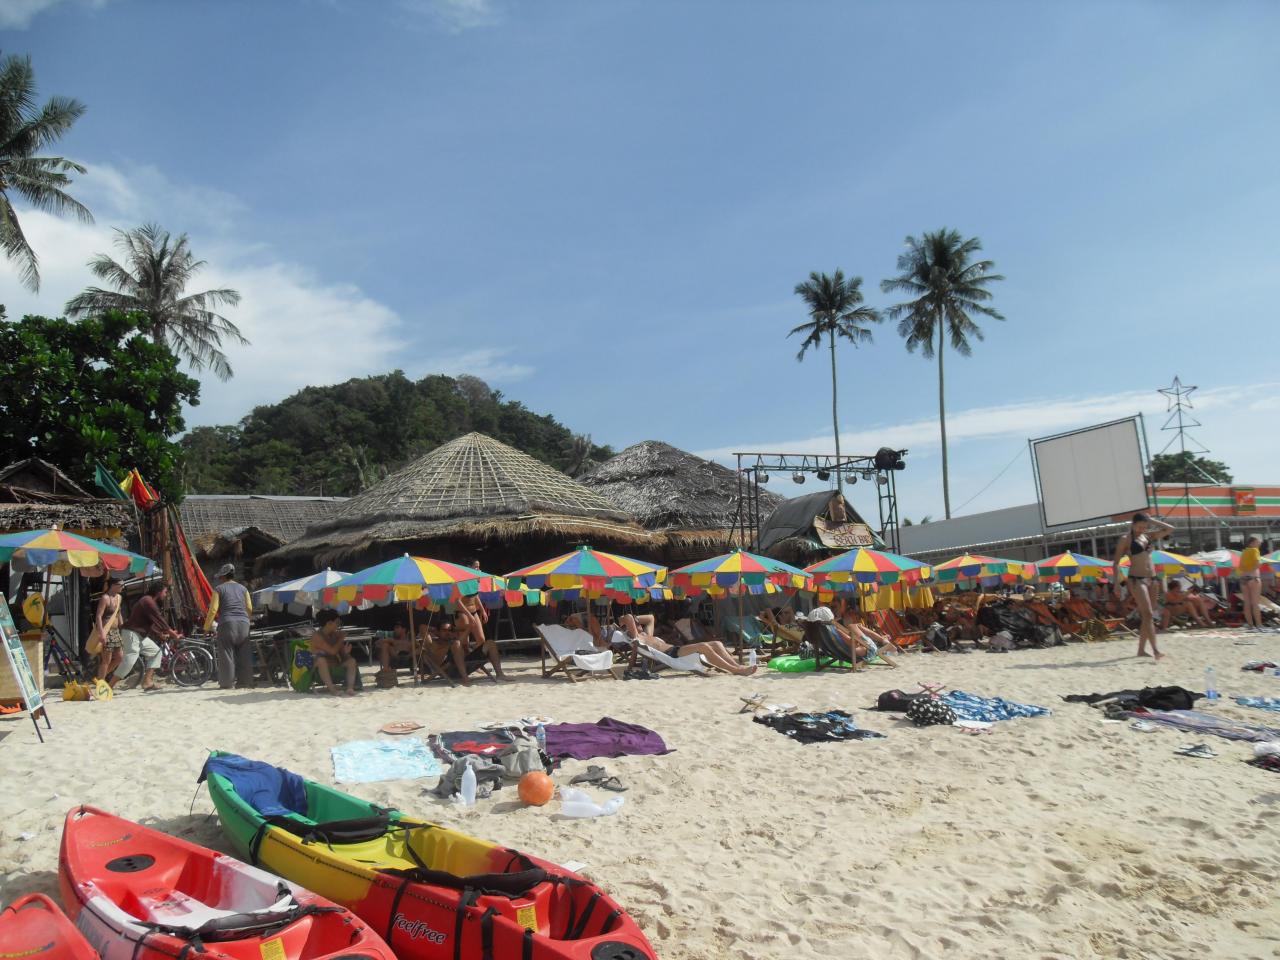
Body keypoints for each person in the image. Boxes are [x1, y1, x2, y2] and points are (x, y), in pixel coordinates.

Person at [1112, 511, 1176, 660]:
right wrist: (1116, 583)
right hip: (1136, 579)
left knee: (1148, 616)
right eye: (1139, 526)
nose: (1142, 529)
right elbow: (1115, 562)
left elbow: (1170, 529)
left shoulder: (1148, 536)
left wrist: (1152, 520)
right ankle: (1155, 650)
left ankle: (1141, 650)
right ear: (1133, 525)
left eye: (1144, 526)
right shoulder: (1125, 539)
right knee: (1147, 614)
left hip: (1152, 579)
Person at [618, 612, 757, 676]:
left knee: (717, 643)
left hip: (675, 649)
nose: (639, 625)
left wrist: (635, 618)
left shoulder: (647, 635)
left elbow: (651, 618)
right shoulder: (637, 639)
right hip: (671, 655)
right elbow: (629, 618)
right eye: (637, 624)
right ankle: (736, 670)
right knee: (703, 647)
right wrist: (624, 620)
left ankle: (737, 666)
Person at [424, 596, 507, 684]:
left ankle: (499, 674)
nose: (448, 632)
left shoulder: (454, 642)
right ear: (437, 632)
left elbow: (463, 636)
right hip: (450, 671)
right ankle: (465, 679)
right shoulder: (434, 644)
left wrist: (457, 629)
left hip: (464, 666)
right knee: (457, 644)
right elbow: (425, 630)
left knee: (490, 643)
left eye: (450, 630)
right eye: (444, 630)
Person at [119, 582, 179, 690]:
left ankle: (147, 682)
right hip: (132, 633)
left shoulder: (149, 601)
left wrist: (160, 634)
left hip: (139, 635)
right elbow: (160, 620)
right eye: (165, 592)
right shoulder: (148, 601)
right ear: (159, 592)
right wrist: (173, 634)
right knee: (130, 659)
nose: (165, 595)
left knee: (156, 652)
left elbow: (151, 623)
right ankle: (110, 685)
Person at [203, 563, 254, 689]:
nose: (219, 579)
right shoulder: (244, 589)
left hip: (227, 624)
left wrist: (206, 627)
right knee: (244, 653)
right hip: (244, 623)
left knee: (227, 654)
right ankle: (245, 682)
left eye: (220, 577)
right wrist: (246, 619)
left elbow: (213, 610)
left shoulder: (219, 589)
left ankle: (227, 683)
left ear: (223, 577)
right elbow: (249, 607)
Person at [310, 609, 358, 695]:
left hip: (334, 665)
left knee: (351, 661)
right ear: (329, 623)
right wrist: (340, 639)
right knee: (321, 660)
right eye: (337, 622)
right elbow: (332, 651)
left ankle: (350, 688)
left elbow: (341, 653)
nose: (339, 625)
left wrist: (346, 652)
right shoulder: (317, 636)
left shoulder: (334, 634)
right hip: (319, 669)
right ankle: (332, 690)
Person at [93, 579, 125, 681]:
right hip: (106, 631)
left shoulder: (119, 597)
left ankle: (100, 678)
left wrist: (123, 626)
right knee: (106, 659)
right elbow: (98, 616)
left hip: (115, 631)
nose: (123, 587)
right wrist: (102, 634)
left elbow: (118, 613)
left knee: (119, 657)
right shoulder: (105, 598)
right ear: (113, 585)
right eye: (121, 585)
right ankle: (101, 682)